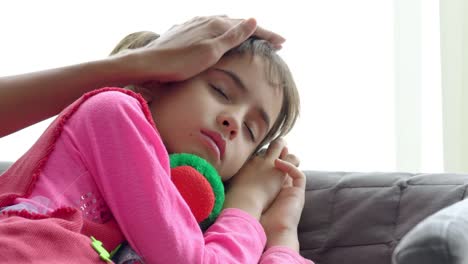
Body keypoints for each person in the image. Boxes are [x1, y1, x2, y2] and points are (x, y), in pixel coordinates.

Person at [0, 16, 311, 264]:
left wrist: (283, 237)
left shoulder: (196, 225)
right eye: (220, 91)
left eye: (251, 131)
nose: (234, 121)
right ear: (154, 81)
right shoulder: (114, 110)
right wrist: (248, 203)